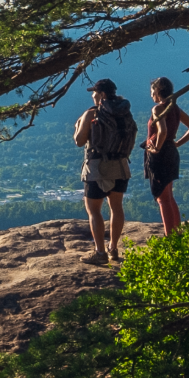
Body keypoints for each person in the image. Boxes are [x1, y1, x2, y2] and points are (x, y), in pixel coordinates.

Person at [73, 78, 137, 264]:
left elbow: (79, 141)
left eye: (94, 92)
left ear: (102, 95)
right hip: (120, 165)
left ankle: (100, 252)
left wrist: (78, 126)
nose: (92, 95)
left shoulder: (92, 113)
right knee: (116, 208)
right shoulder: (125, 113)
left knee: (94, 210)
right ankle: (114, 249)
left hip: (97, 168)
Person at [142, 75, 189, 235]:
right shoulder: (175, 108)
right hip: (171, 153)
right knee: (169, 196)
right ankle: (177, 233)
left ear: (158, 90)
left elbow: (163, 131)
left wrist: (157, 149)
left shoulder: (158, 109)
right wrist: (176, 144)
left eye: (152, 90)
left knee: (162, 198)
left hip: (161, 155)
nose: (151, 94)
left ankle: (170, 237)